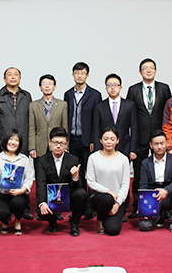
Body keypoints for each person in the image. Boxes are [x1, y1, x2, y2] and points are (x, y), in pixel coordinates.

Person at [126, 58, 172, 219]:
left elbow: (168, 112)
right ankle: (138, 206)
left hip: (160, 137)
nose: (148, 70)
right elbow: (130, 115)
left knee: (163, 171)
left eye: (151, 68)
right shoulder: (133, 90)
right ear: (140, 72)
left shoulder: (164, 88)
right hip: (140, 137)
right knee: (139, 173)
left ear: (155, 70)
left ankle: (164, 204)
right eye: (145, 68)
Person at [64, 62, 102, 219]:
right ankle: (77, 206)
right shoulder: (67, 94)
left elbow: (96, 120)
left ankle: (90, 207)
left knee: (90, 174)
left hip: (88, 142)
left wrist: (94, 140)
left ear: (87, 75)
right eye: (77, 73)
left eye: (82, 73)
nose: (79, 75)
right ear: (73, 75)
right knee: (75, 174)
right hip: (72, 140)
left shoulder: (95, 95)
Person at [34, 127, 86, 236]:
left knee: (81, 194)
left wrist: (75, 177)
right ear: (50, 143)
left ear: (66, 144)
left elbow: (78, 186)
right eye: (55, 143)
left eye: (62, 143)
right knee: (41, 209)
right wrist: (42, 203)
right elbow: (41, 184)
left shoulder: (73, 160)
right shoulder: (42, 161)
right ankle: (52, 221)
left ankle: (74, 222)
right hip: (51, 197)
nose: (58, 146)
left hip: (67, 197)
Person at [0, 130, 34, 235]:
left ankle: (17, 220)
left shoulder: (24, 159)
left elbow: (29, 178)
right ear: (5, 141)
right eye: (10, 139)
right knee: (2, 212)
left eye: (16, 140)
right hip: (2, 194)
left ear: (20, 143)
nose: (13, 142)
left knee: (19, 203)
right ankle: (5, 221)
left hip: (19, 194)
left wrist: (22, 190)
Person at [138, 131, 172, 233]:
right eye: (156, 144)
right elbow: (143, 185)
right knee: (144, 226)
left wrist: (166, 190)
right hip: (153, 197)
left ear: (167, 143)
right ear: (151, 145)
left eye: (162, 143)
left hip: (169, 194)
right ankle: (159, 215)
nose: (159, 147)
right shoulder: (146, 162)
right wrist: (143, 206)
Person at [86, 128, 130, 236]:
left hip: (117, 200)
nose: (109, 142)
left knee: (113, 230)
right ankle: (100, 219)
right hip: (99, 198)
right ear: (101, 140)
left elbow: (125, 184)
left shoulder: (123, 159)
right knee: (107, 198)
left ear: (117, 140)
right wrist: (109, 191)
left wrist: (118, 203)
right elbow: (91, 182)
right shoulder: (93, 158)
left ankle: (109, 217)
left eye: (112, 139)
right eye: (106, 139)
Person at [93, 74, 139, 166]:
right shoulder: (99, 106)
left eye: (115, 85)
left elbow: (134, 128)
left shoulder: (129, 105)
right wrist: (97, 149)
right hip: (105, 148)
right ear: (106, 88)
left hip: (124, 146)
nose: (112, 88)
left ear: (120, 87)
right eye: (109, 85)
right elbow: (96, 129)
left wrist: (133, 149)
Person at [0, 67, 32, 156]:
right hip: (3, 143)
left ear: (20, 78)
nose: (13, 77)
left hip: (23, 143)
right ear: (4, 79)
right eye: (10, 75)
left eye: (16, 74)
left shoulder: (26, 96)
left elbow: (31, 121)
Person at [28, 74, 69, 160]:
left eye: (50, 83)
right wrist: (32, 148)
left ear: (54, 87)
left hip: (58, 146)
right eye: (44, 83)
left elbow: (65, 127)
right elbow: (31, 128)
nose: (47, 86)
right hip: (39, 147)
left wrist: (66, 146)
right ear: (40, 87)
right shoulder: (33, 105)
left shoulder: (62, 105)